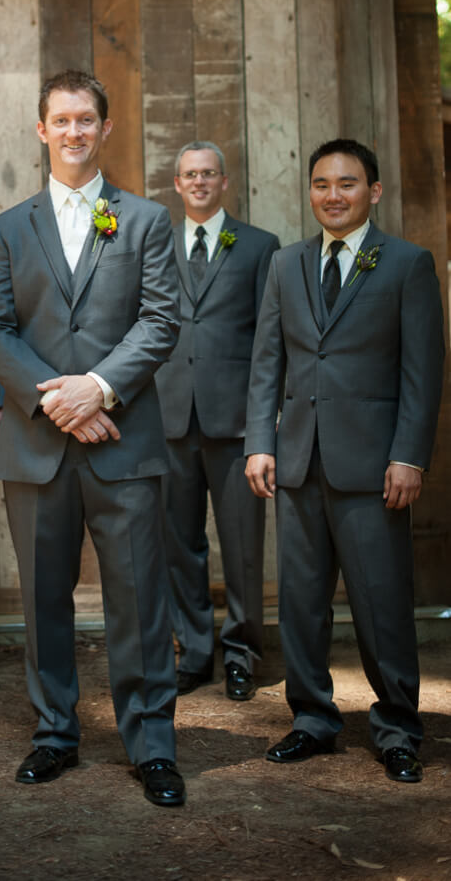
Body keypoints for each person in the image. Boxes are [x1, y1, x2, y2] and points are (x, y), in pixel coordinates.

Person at [0, 70, 185, 806]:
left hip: (122, 440)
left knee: (137, 599)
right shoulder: (6, 227)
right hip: (37, 448)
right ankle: (54, 732)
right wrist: (56, 401)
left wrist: (96, 389)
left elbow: (160, 320)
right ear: (41, 130)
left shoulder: (146, 220)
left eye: (85, 120)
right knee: (43, 599)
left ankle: (151, 742)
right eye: (60, 120)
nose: (73, 132)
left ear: (105, 128)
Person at [245, 138, 445, 783]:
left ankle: (397, 729)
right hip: (298, 460)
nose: (333, 195)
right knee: (301, 601)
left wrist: (409, 456)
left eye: (348, 184)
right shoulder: (285, 265)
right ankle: (311, 720)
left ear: (374, 192)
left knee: (381, 601)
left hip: (373, 465)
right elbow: (266, 362)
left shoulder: (407, 264)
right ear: (311, 191)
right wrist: (260, 441)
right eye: (322, 184)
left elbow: (423, 371)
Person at [155, 141, 279, 701]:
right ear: (177, 185)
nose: (200, 182)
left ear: (224, 182)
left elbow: (268, 343)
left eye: (209, 174)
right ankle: (195, 650)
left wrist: (263, 428)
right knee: (180, 543)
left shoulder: (259, 247)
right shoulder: (153, 243)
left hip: (235, 425)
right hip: (169, 418)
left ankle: (242, 652)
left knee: (243, 546)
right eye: (189, 175)